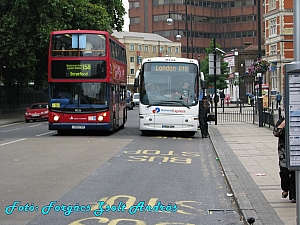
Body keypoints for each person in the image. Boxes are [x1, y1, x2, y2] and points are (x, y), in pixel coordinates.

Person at [273, 117, 296, 203]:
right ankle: (285, 189)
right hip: (284, 152)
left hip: (295, 151)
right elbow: (276, 133)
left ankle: (294, 195)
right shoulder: (281, 120)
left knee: (295, 173)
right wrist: (283, 123)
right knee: (284, 172)